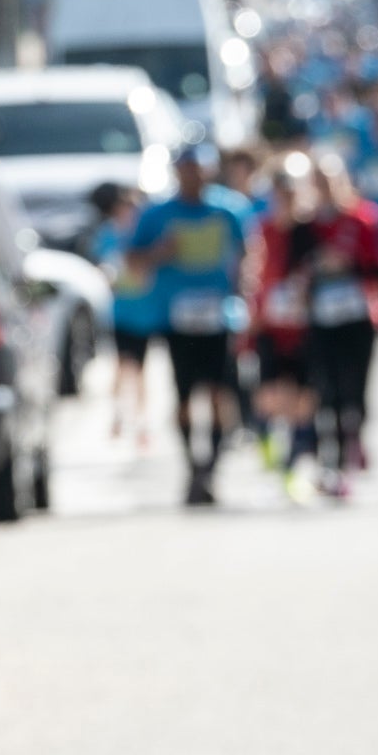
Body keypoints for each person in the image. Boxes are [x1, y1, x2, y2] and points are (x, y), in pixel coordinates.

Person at [129, 145, 249, 506]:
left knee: (218, 393)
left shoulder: (230, 209)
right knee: (183, 395)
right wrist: (160, 253)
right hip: (175, 318)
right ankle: (192, 466)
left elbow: (248, 254)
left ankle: (211, 468)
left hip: (219, 316)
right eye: (186, 169)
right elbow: (132, 261)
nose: (193, 176)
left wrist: (245, 295)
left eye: (199, 169)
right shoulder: (156, 215)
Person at [297, 156, 378, 498]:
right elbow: (294, 266)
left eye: (329, 181)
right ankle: (333, 463)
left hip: (358, 317)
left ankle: (356, 437)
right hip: (321, 320)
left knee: (356, 390)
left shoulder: (364, 218)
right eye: (317, 183)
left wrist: (348, 264)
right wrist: (312, 270)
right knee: (328, 391)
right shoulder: (306, 225)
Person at [246, 156, 319, 497]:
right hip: (270, 325)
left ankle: (292, 465)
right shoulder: (263, 229)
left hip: (304, 326)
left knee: (303, 398)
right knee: (270, 394)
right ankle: (266, 439)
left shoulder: (311, 229)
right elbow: (252, 270)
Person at [87, 182, 160, 451]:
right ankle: (117, 415)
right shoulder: (108, 234)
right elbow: (101, 266)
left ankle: (141, 421)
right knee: (121, 365)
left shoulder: (147, 235)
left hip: (145, 313)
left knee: (141, 369)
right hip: (120, 313)